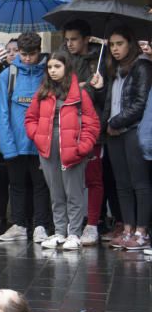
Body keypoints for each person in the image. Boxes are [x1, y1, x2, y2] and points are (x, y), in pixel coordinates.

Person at [25, 52, 101, 250]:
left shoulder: (79, 94)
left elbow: (92, 123)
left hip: (72, 149)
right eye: (50, 67)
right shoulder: (43, 92)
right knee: (56, 193)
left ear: (66, 68)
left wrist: (83, 146)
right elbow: (30, 118)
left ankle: (74, 233)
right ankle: (59, 231)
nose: (52, 71)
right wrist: (38, 137)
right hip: (48, 148)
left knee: (73, 193)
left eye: (57, 66)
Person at [91, 25, 151, 250]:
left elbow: (139, 102)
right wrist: (100, 88)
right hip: (114, 133)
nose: (115, 49)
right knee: (122, 184)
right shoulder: (113, 68)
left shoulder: (142, 66)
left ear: (130, 44)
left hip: (133, 131)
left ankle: (142, 231)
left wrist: (114, 123)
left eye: (120, 44)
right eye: (112, 45)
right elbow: (111, 101)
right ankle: (127, 229)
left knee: (140, 184)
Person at [0, 32, 52, 245]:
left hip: (40, 143)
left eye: (32, 54)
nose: (27, 58)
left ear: (39, 51)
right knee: (16, 185)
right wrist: (7, 146)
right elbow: (2, 113)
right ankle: (19, 224)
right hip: (16, 143)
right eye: (23, 54)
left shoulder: (48, 74)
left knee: (41, 186)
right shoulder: (8, 75)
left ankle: (40, 226)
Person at [60, 20, 107, 245]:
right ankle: (72, 223)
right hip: (67, 128)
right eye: (67, 39)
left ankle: (92, 225)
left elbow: (103, 98)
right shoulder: (63, 60)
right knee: (70, 179)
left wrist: (97, 87)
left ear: (86, 39)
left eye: (74, 39)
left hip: (89, 126)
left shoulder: (98, 61)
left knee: (93, 177)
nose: (69, 44)